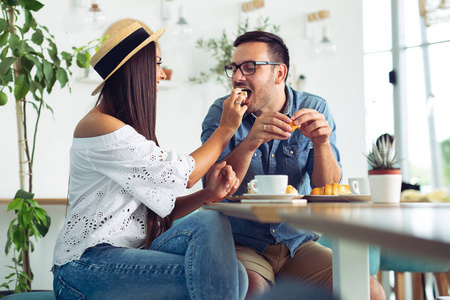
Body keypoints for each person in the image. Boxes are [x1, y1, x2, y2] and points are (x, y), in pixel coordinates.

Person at [52, 22, 249, 300]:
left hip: (122, 258)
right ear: (136, 69)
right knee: (225, 275)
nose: (162, 74)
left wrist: (207, 194)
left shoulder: (122, 129)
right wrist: (226, 128)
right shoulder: (101, 127)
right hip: (83, 268)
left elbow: (158, 212)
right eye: (156, 63)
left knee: (218, 236)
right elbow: (183, 175)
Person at [201, 31, 386, 300]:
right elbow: (213, 188)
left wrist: (322, 143)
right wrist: (250, 143)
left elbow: (327, 189)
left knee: (369, 291)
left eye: (249, 67)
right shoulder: (222, 113)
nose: (238, 77)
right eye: (234, 68)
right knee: (254, 289)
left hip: (297, 244)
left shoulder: (314, 107)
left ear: (279, 73)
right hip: (241, 242)